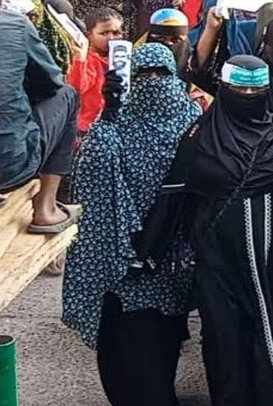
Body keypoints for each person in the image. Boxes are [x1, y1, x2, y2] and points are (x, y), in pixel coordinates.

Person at [141, 55, 273, 405]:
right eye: (239, 89)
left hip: (269, 257)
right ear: (224, 90)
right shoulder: (201, 136)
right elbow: (174, 196)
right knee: (222, 330)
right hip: (215, 255)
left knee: (267, 322)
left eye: (256, 90)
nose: (248, 96)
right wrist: (149, 249)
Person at [62, 43, 200, 406]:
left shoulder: (191, 118)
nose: (152, 82)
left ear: (173, 76)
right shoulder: (118, 119)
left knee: (165, 334)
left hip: (171, 251)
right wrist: (107, 115)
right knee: (127, 339)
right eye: (143, 74)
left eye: (160, 74)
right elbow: (89, 170)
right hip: (125, 246)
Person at [0, 0, 79, 230]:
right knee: (69, 95)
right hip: (5, 168)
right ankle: (46, 207)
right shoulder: (14, 25)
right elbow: (52, 85)